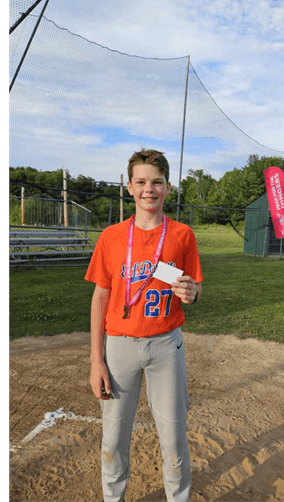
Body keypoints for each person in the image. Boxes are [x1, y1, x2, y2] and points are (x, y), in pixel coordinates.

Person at [85, 149, 203, 502]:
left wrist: (190, 292)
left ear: (168, 188)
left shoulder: (182, 235)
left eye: (156, 182)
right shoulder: (111, 237)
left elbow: (194, 287)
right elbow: (100, 298)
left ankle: (177, 497)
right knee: (114, 437)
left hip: (166, 344)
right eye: (141, 182)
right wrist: (96, 360)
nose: (148, 189)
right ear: (129, 187)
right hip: (120, 345)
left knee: (173, 435)